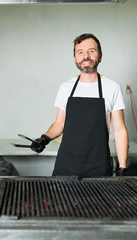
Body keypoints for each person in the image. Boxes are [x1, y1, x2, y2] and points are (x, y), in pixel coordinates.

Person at [31, 33, 129, 177]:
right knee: (62, 200)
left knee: (98, 201)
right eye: (80, 52)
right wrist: (44, 138)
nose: (86, 56)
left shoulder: (112, 88)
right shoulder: (66, 87)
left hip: (98, 164)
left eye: (91, 51)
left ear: (100, 56)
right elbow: (59, 124)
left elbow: (120, 130)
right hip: (66, 164)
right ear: (76, 58)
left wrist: (123, 167)